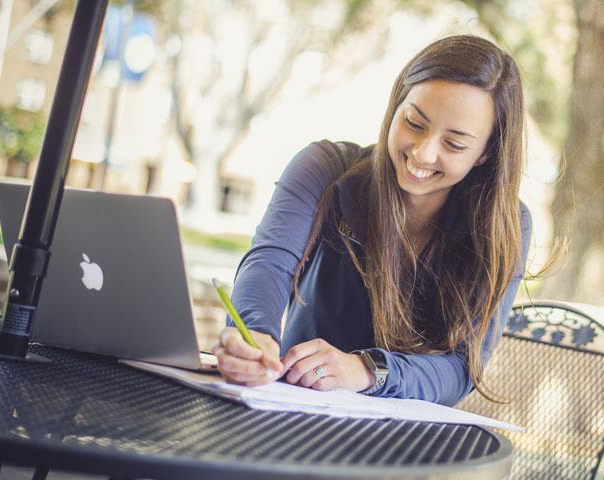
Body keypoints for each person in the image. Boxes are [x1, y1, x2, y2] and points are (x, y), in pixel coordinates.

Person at [211, 34, 532, 407]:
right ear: (396, 105)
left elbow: (461, 368)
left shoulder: (504, 224)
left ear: (485, 154)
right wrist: (254, 335)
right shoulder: (326, 168)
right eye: (414, 122)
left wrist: (365, 370)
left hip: (404, 446)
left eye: (455, 144)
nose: (423, 153)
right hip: (293, 409)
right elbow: (270, 263)